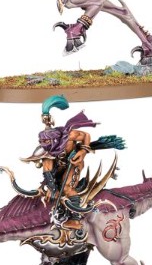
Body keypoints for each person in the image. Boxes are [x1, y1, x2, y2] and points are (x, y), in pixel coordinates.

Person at [22, 95, 125, 231]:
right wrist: (52, 189)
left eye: (47, 142)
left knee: (66, 189)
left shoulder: (69, 136)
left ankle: (75, 219)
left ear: (56, 140)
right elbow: (47, 171)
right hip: (57, 168)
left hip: (73, 162)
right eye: (42, 142)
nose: (44, 145)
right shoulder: (45, 152)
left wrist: (82, 151)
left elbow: (86, 136)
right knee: (53, 189)